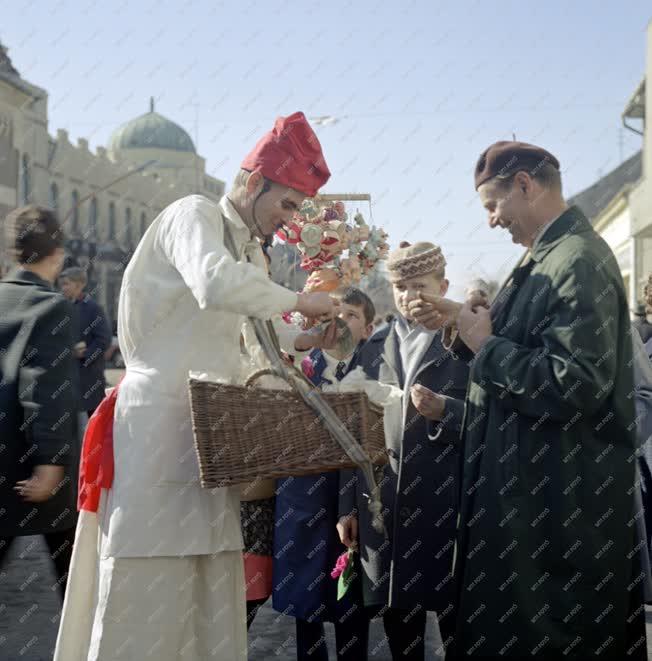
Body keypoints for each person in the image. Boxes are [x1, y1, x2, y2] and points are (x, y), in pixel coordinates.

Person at [54, 111, 338, 661]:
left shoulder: (250, 250)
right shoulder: (194, 214)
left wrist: (309, 335)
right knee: (148, 569)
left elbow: (254, 324)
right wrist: (301, 299)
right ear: (254, 182)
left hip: (207, 433)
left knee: (206, 573)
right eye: (286, 204)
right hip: (157, 424)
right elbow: (213, 282)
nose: (287, 221)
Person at [410, 141, 647, 659]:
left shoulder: (576, 262)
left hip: (553, 528)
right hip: (529, 518)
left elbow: (574, 382)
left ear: (524, 185)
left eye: (493, 206)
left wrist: (484, 344)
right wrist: (462, 321)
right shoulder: (546, 258)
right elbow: (518, 365)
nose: (492, 222)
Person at [338, 242, 472, 661]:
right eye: (400, 286)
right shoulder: (373, 346)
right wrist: (348, 506)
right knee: (401, 626)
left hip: (448, 506)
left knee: (458, 624)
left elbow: (494, 418)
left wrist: (446, 411)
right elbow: (352, 431)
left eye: (420, 286)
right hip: (385, 507)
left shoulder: (465, 343)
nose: (409, 296)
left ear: (443, 286)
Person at [272, 287, 376, 660]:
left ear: (368, 327)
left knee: (351, 601)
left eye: (351, 315)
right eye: (337, 314)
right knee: (306, 602)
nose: (341, 323)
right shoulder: (299, 365)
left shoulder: (377, 369)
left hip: (353, 497)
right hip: (302, 496)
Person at [0, 205, 78, 599]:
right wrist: (51, 462)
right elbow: (46, 389)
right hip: (30, 467)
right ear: (58, 254)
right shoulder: (51, 307)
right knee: (76, 579)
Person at [59, 267, 111, 417]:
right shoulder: (61, 306)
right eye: (62, 284)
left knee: (92, 420)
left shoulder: (93, 309)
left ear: (79, 284)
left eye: (66, 284)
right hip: (66, 377)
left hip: (88, 376)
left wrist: (85, 354)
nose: (63, 288)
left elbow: (104, 339)